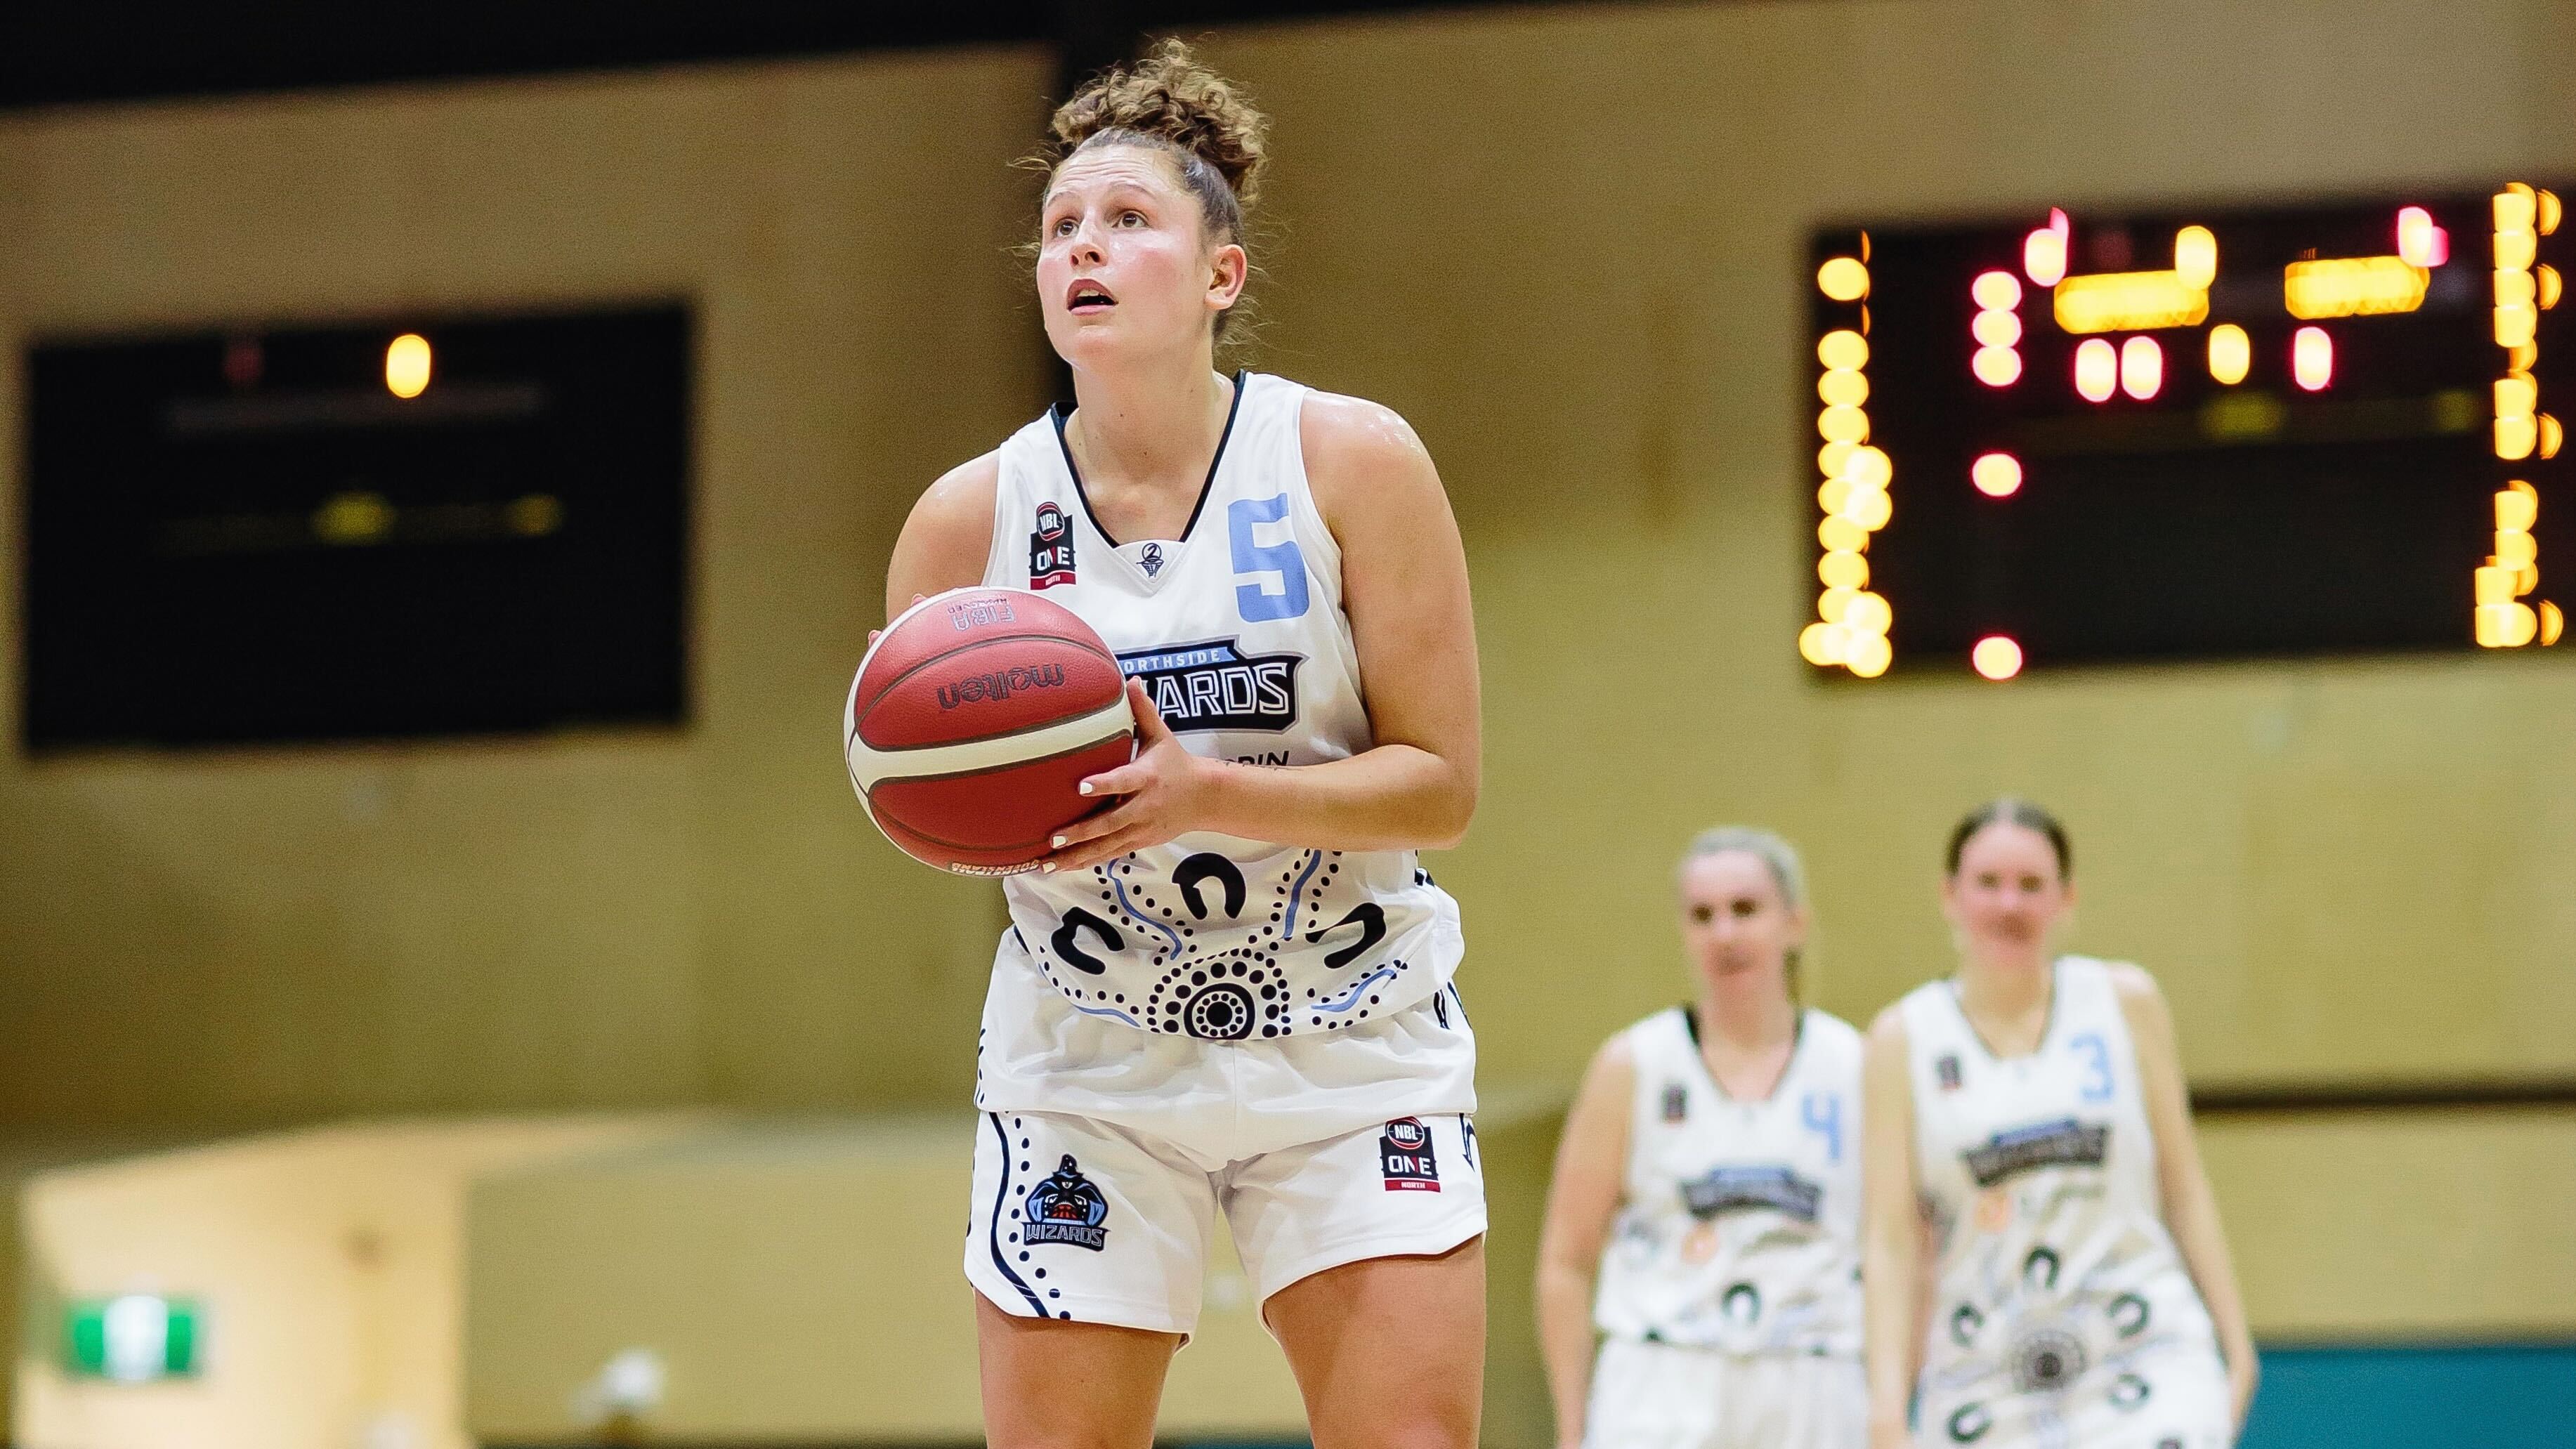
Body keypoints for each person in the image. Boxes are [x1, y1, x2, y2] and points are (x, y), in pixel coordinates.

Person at [880, 41, 1485, 1449]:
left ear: (1222, 273)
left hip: (1347, 1027)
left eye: (1127, 219)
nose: (1082, 247)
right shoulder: (967, 520)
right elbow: (925, 802)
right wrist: (943, 784)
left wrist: (1204, 790)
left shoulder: (1350, 459)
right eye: (1059, 229)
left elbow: (1442, 786)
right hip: (1091, 1051)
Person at [1860, 800, 2257, 1449]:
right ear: (1948, 896)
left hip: (2142, 1350)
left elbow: (2183, 1186)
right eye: (1987, 883)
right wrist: (1885, 1407)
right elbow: (1890, 1239)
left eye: (2030, 884)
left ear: (2066, 898)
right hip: (1982, 1374)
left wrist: (2237, 1349)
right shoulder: (1901, 1038)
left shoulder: (2124, 1001)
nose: (2008, 904)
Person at [1537, 827, 1867, 1449]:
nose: (1724, 932)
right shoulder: (1632, 1064)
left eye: (1745, 908)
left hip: (1816, 1376)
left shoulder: (1854, 1064)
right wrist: (1572, 1429)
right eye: (1702, 915)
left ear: (1794, 923)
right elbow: (1566, 1263)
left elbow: (1901, 1249)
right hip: (1660, 1383)